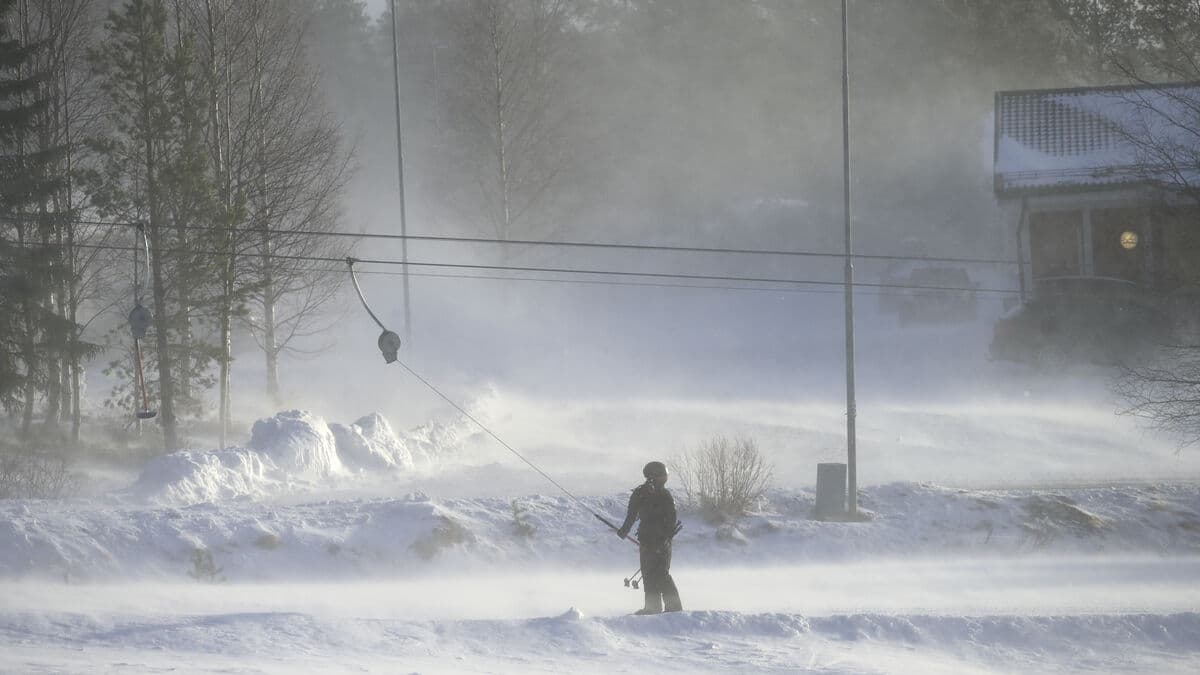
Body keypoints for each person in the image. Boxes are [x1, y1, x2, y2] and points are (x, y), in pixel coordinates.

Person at [617, 460, 682, 614]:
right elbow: (632, 515)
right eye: (662, 476)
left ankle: (674, 609)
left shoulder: (664, 495)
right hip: (648, 540)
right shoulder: (640, 493)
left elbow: (671, 520)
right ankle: (653, 608)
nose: (664, 478)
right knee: (648, 573)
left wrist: (664, 540)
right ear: (652, 476)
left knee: (661, 574)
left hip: (662, 541)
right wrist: (624, 530)